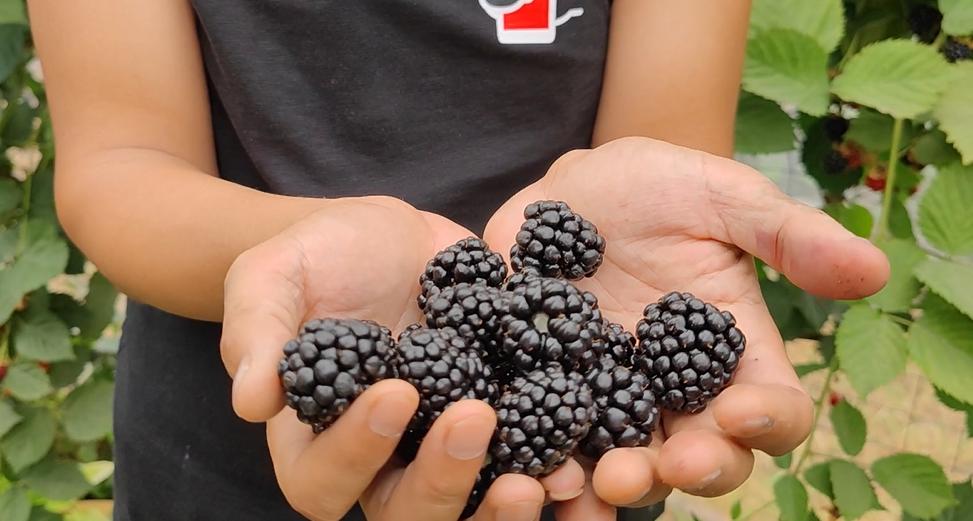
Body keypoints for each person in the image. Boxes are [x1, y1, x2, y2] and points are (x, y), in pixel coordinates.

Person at [29, 1, 890, 520]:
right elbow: (118, 163)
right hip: (222, 450)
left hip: (570, 470)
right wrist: (289, 252)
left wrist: (614, 295)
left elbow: (657, 144)